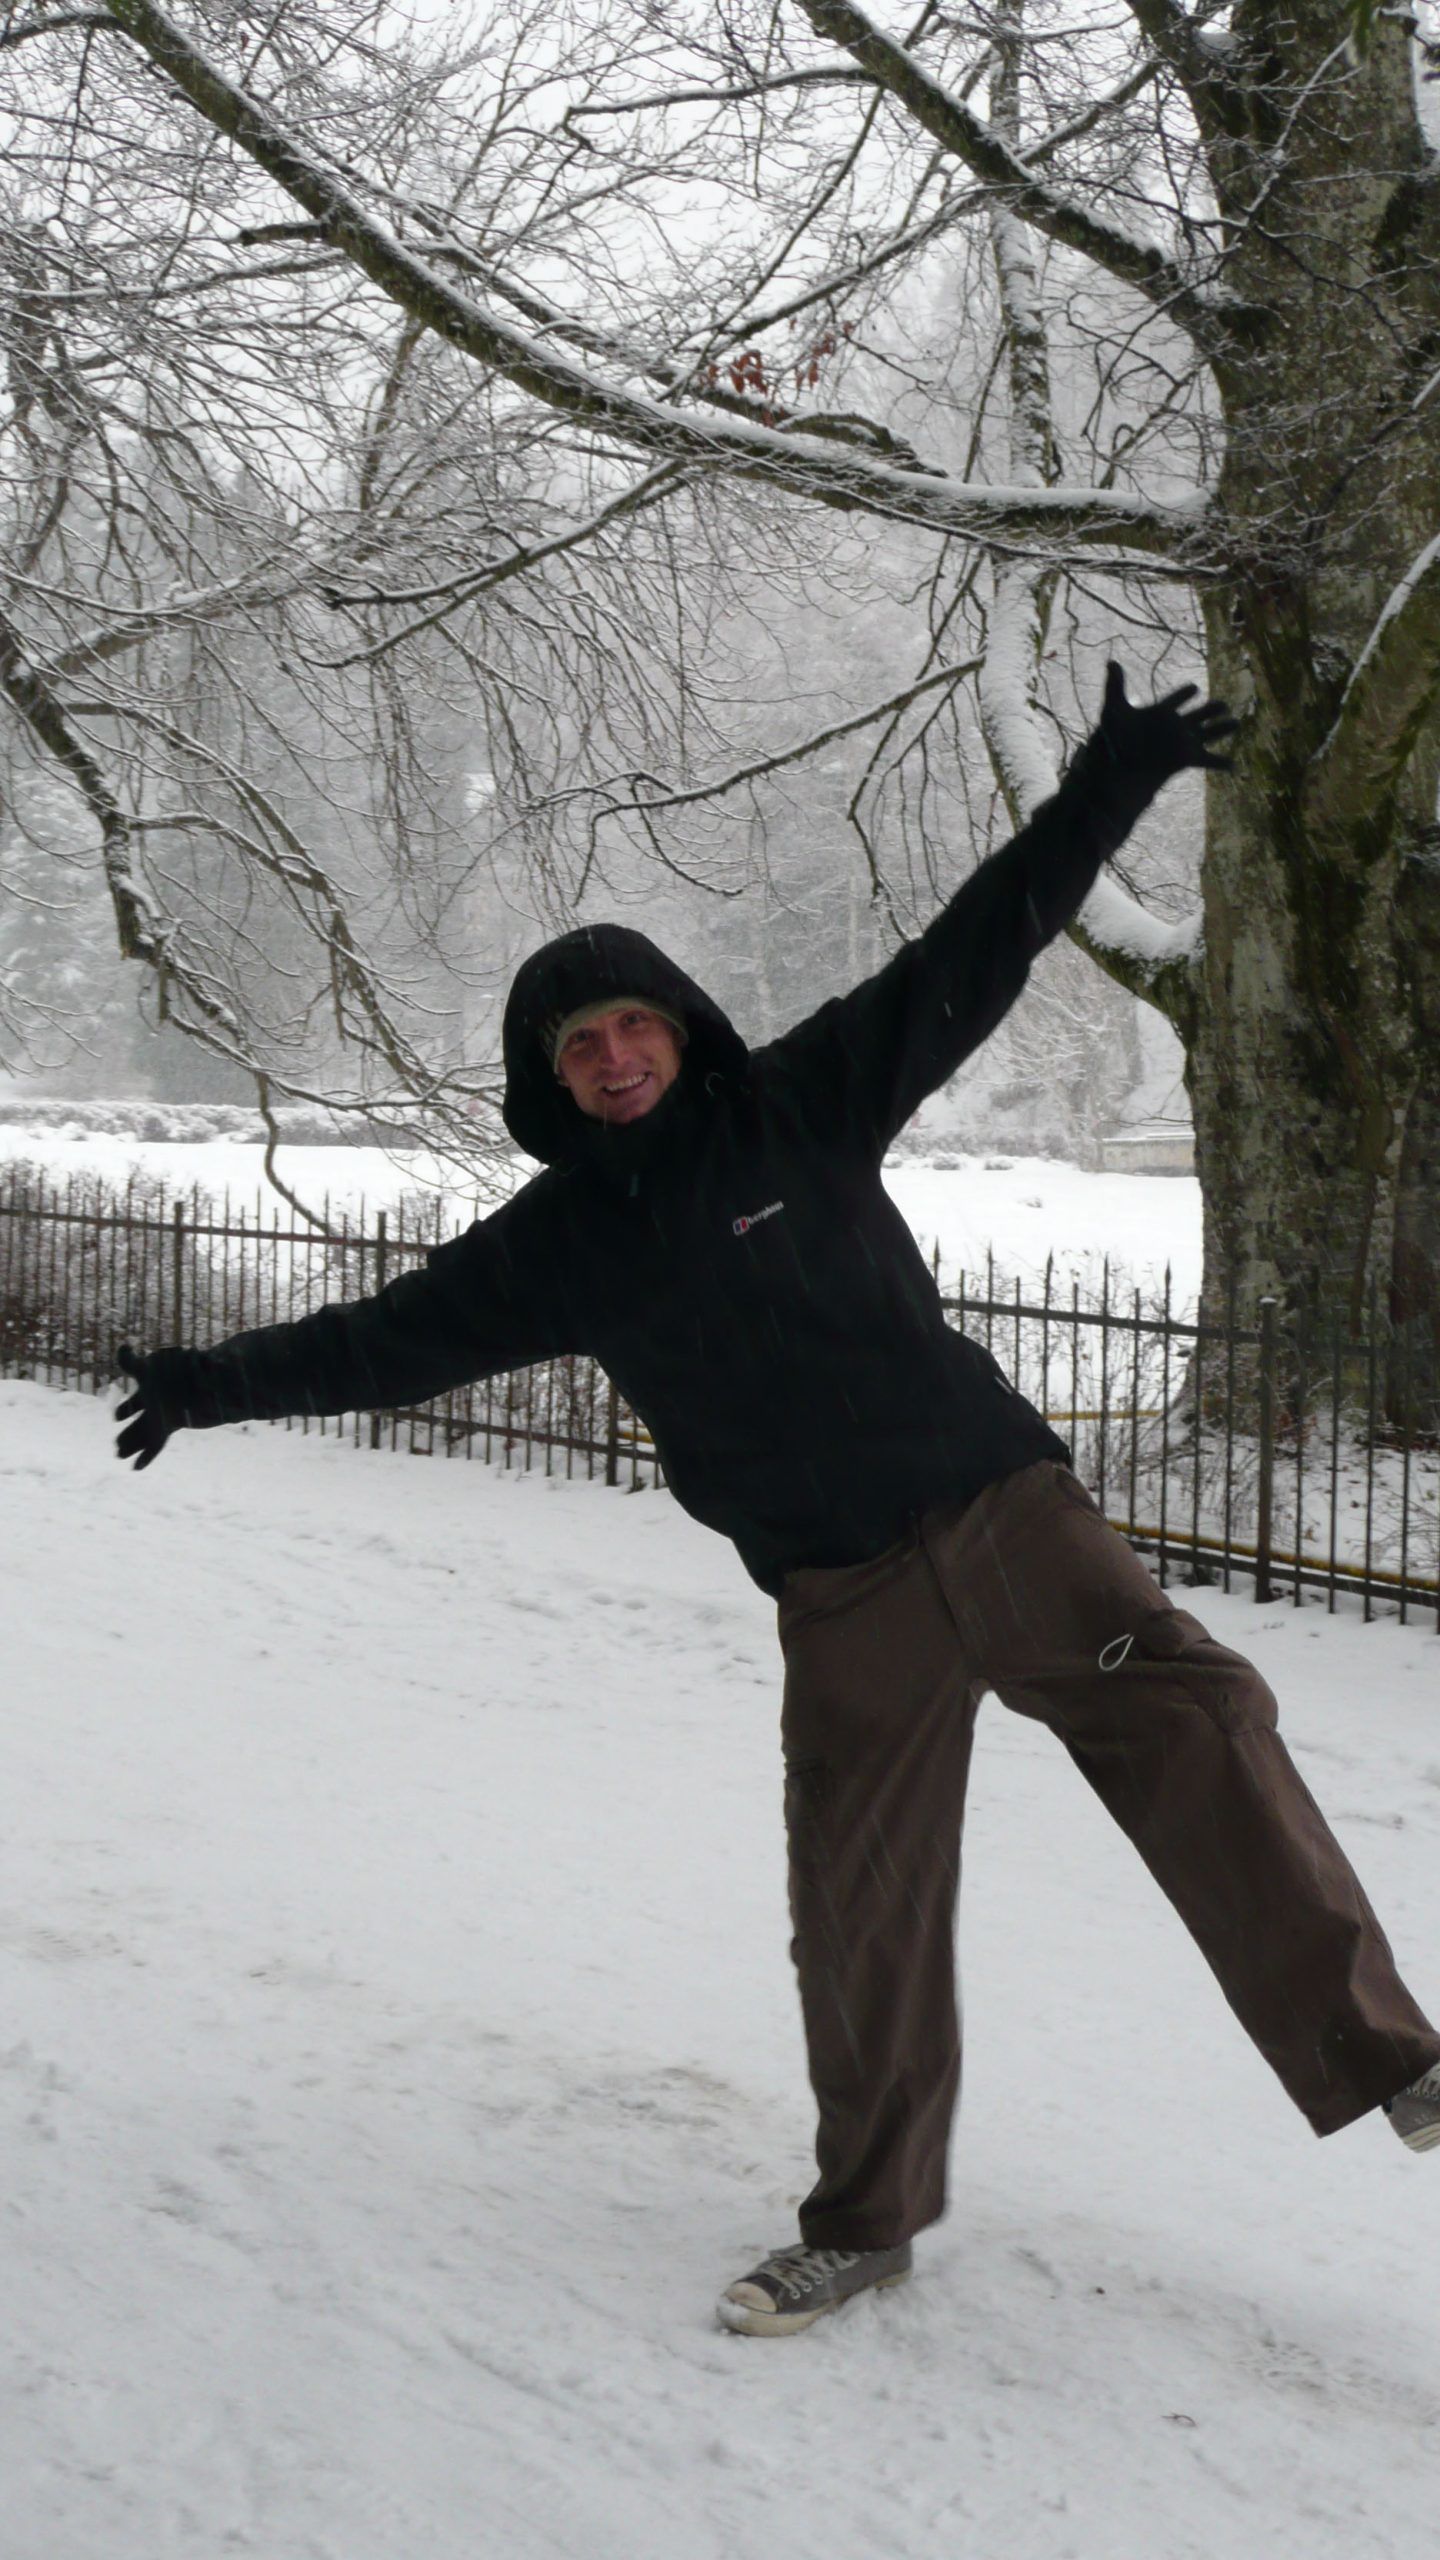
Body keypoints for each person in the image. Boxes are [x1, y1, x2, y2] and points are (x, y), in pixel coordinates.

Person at [115, 668, 1440, 2338]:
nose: (612, 1058)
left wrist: (1105, 789)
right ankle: (864, 2221)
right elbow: (390, 1342)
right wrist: (209, 1381)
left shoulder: (803, 1103)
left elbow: (979, 946)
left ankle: (1389, 2057)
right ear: (551, 1076)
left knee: (1198, 1717)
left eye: (633, 1027)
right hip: (843, 1591)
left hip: (1002, 1511)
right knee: (856, 1905)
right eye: (579, 1045)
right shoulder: (558, 1246)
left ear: (678, 1029)